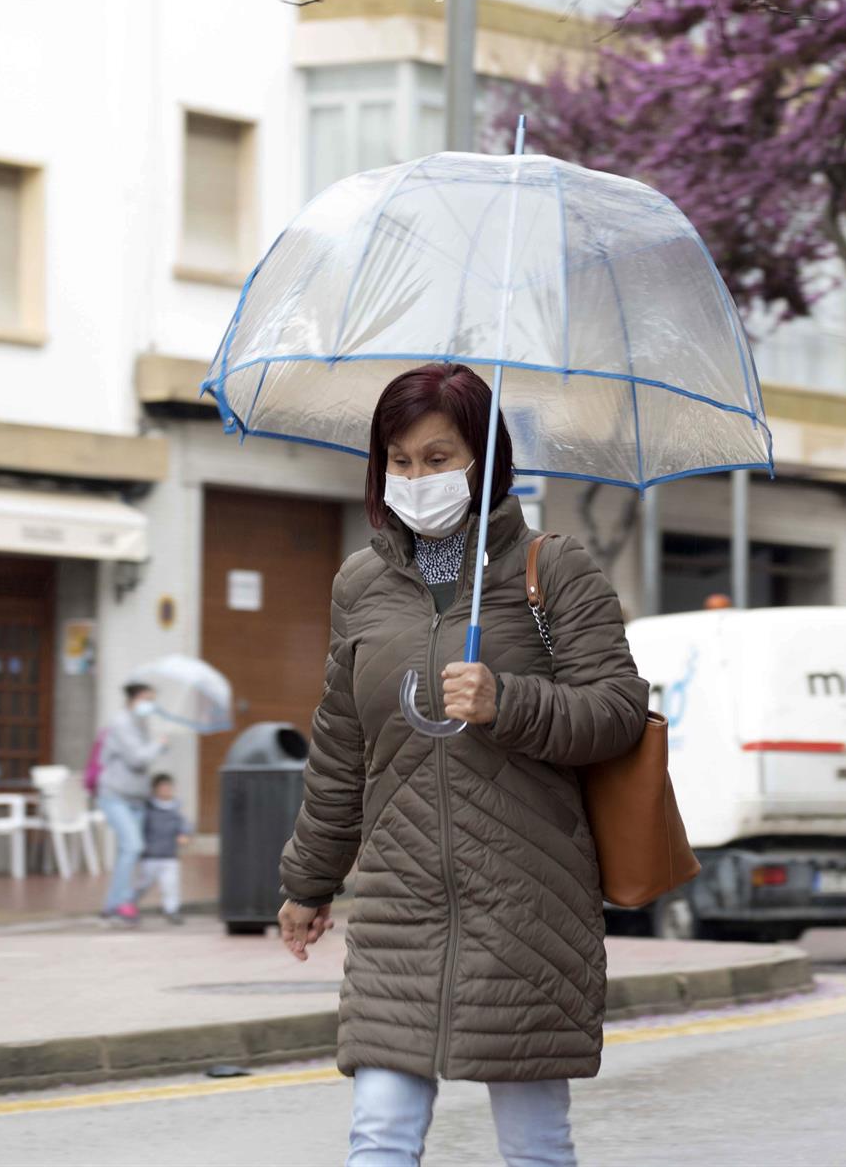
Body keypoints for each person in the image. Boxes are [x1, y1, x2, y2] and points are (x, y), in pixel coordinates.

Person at [276, 363, 648, 1167]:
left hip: (527, 901)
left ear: (485, 460)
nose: (416, 479)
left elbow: (617, 712)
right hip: (398, 900)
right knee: (379, 1131)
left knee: (534, 1146)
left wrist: (507, 701)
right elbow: (342, 746)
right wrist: (308, 883)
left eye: (439, 459)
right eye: (399, 462)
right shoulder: (361, 584)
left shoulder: (558, 569)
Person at [95, 681, 164, 927]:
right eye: (146, 698)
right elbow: (137, 758)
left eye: (152, 699)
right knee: (132, 847)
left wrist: (155, 745)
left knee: (129, 851)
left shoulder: (140, 723)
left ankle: (114, 906)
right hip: (115, 795)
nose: (150, 704)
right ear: (132, 699)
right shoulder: (121, 723)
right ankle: (119, 904)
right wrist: (158, 744)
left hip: (135, 797)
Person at [136, 772, 193, 925]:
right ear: (155, 789)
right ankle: (129, 904)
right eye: (162, 787)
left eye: (169, 787)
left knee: (171, 885)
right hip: (150, 856)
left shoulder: (175, 809)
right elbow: (140, 829)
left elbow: (185, 824)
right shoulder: (147, 810)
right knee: (143, 884)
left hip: (169, 856)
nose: (166, 790)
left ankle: (171, 910)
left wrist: (184, 834)